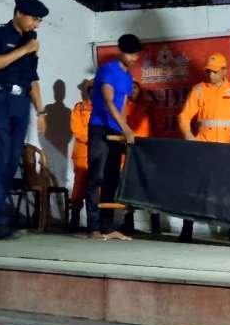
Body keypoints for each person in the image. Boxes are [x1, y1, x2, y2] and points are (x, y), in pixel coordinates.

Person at [0, 0, 48, 240]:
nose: (36, 25)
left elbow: (32, 78)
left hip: (21, 102)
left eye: (39, 21)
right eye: (34, 19)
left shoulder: (31, 39)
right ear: (18, 13)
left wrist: (40, 111)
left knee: (11, 161)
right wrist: (24, 50)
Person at [177, 53, 230, 242]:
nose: (211, 74)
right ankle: (187, 229)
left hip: (228, 149)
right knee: (196, 188)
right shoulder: (199, 90)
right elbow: (184, 116)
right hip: (204, 147)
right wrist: (189, 137)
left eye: (215, 71)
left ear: (224, 70)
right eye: (208, 71)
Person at [85, 34, 143, 241]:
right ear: (121, 52)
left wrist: (124, 129)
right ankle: (93, 227)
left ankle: (108, 227)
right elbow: (109, 102)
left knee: (112, 177)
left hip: (116, 130)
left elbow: (123, 106)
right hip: (99, 128)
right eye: (130, 54)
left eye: (136, 54)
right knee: (96, 176)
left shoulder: (128, 77)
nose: (134, 58)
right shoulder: (107, 70)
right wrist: (126, 129)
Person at [121, 81, 162, 235]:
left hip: (146, 151)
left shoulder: (148, 106)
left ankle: (155, 224)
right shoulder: (122, 107)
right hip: (128, 150)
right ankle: (128, 222)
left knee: (150, 186)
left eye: (135, 88)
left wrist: (154, 147)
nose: (132, 91)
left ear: (140, 90)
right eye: (129, 88)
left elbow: (156, 127)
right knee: (128, 186)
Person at [67, 78, 93, 231]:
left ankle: (94, 221)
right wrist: (93, 139)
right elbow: (77, 129)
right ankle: (75, 218)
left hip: (99, 152)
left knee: (98, 186)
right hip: (83, 152)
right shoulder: (79, 107)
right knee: (79, 185)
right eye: (91, 89)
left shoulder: (105, 108)